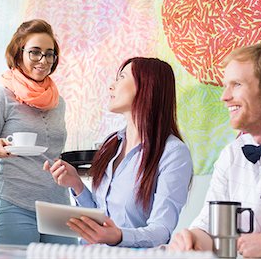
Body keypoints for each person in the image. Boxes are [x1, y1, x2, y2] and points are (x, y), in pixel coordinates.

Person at [44, 57, 193, 248]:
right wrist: (77, 184)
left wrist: (118, 236)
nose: (111, 86)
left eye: (121, 77)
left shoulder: (173, 153)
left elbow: (161, 230)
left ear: (146, 87)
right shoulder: (112, 144)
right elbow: (101, 221)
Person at [169, 43, 261, 257]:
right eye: (226, 85)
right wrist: (193, 238)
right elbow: (210, 229)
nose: (224, 97)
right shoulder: (231, 156)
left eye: (236, 85)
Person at [0, 19, 75, 245]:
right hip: (14, 205)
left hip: (59, 207)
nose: (43, 61)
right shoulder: (1, 98)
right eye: (35, 53)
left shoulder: (59, 103)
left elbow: (52, 155)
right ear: (18, 54)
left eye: (49, 54)